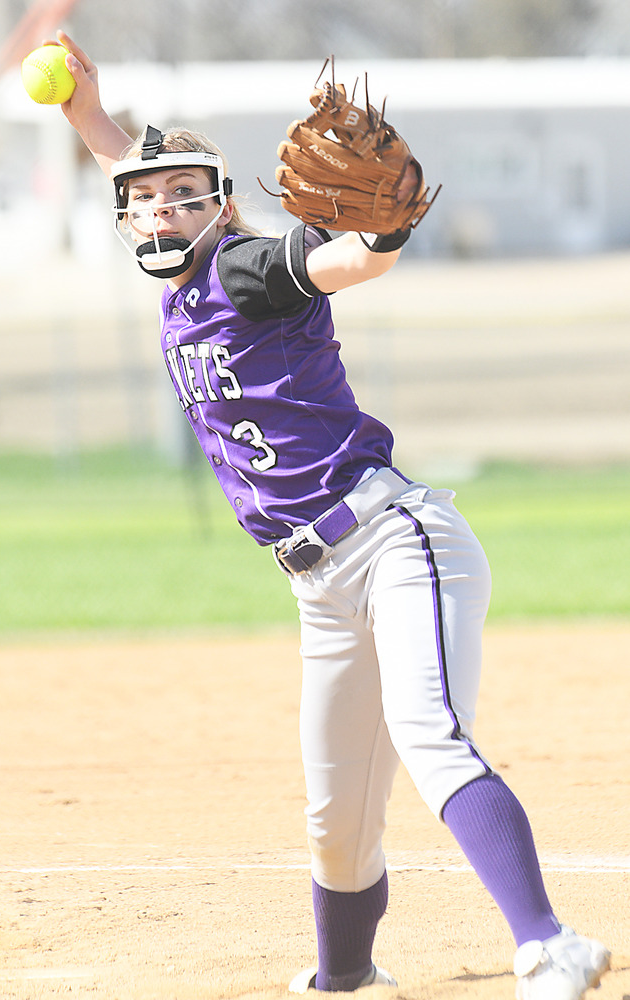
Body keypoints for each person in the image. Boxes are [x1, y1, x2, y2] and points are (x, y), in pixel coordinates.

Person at [52, 30, 610, 998]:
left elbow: (340, 262)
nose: (163, 210)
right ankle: (346, 975)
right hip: (317, 584)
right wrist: (86, 116)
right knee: (335, 812)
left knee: (427, 731)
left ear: (223, 206)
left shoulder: (242, 269)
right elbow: (130, 169)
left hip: (395, 543)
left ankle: (547, 942)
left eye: (187, 195)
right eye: (147, 200)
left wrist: (381, 236)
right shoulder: (180, 276)